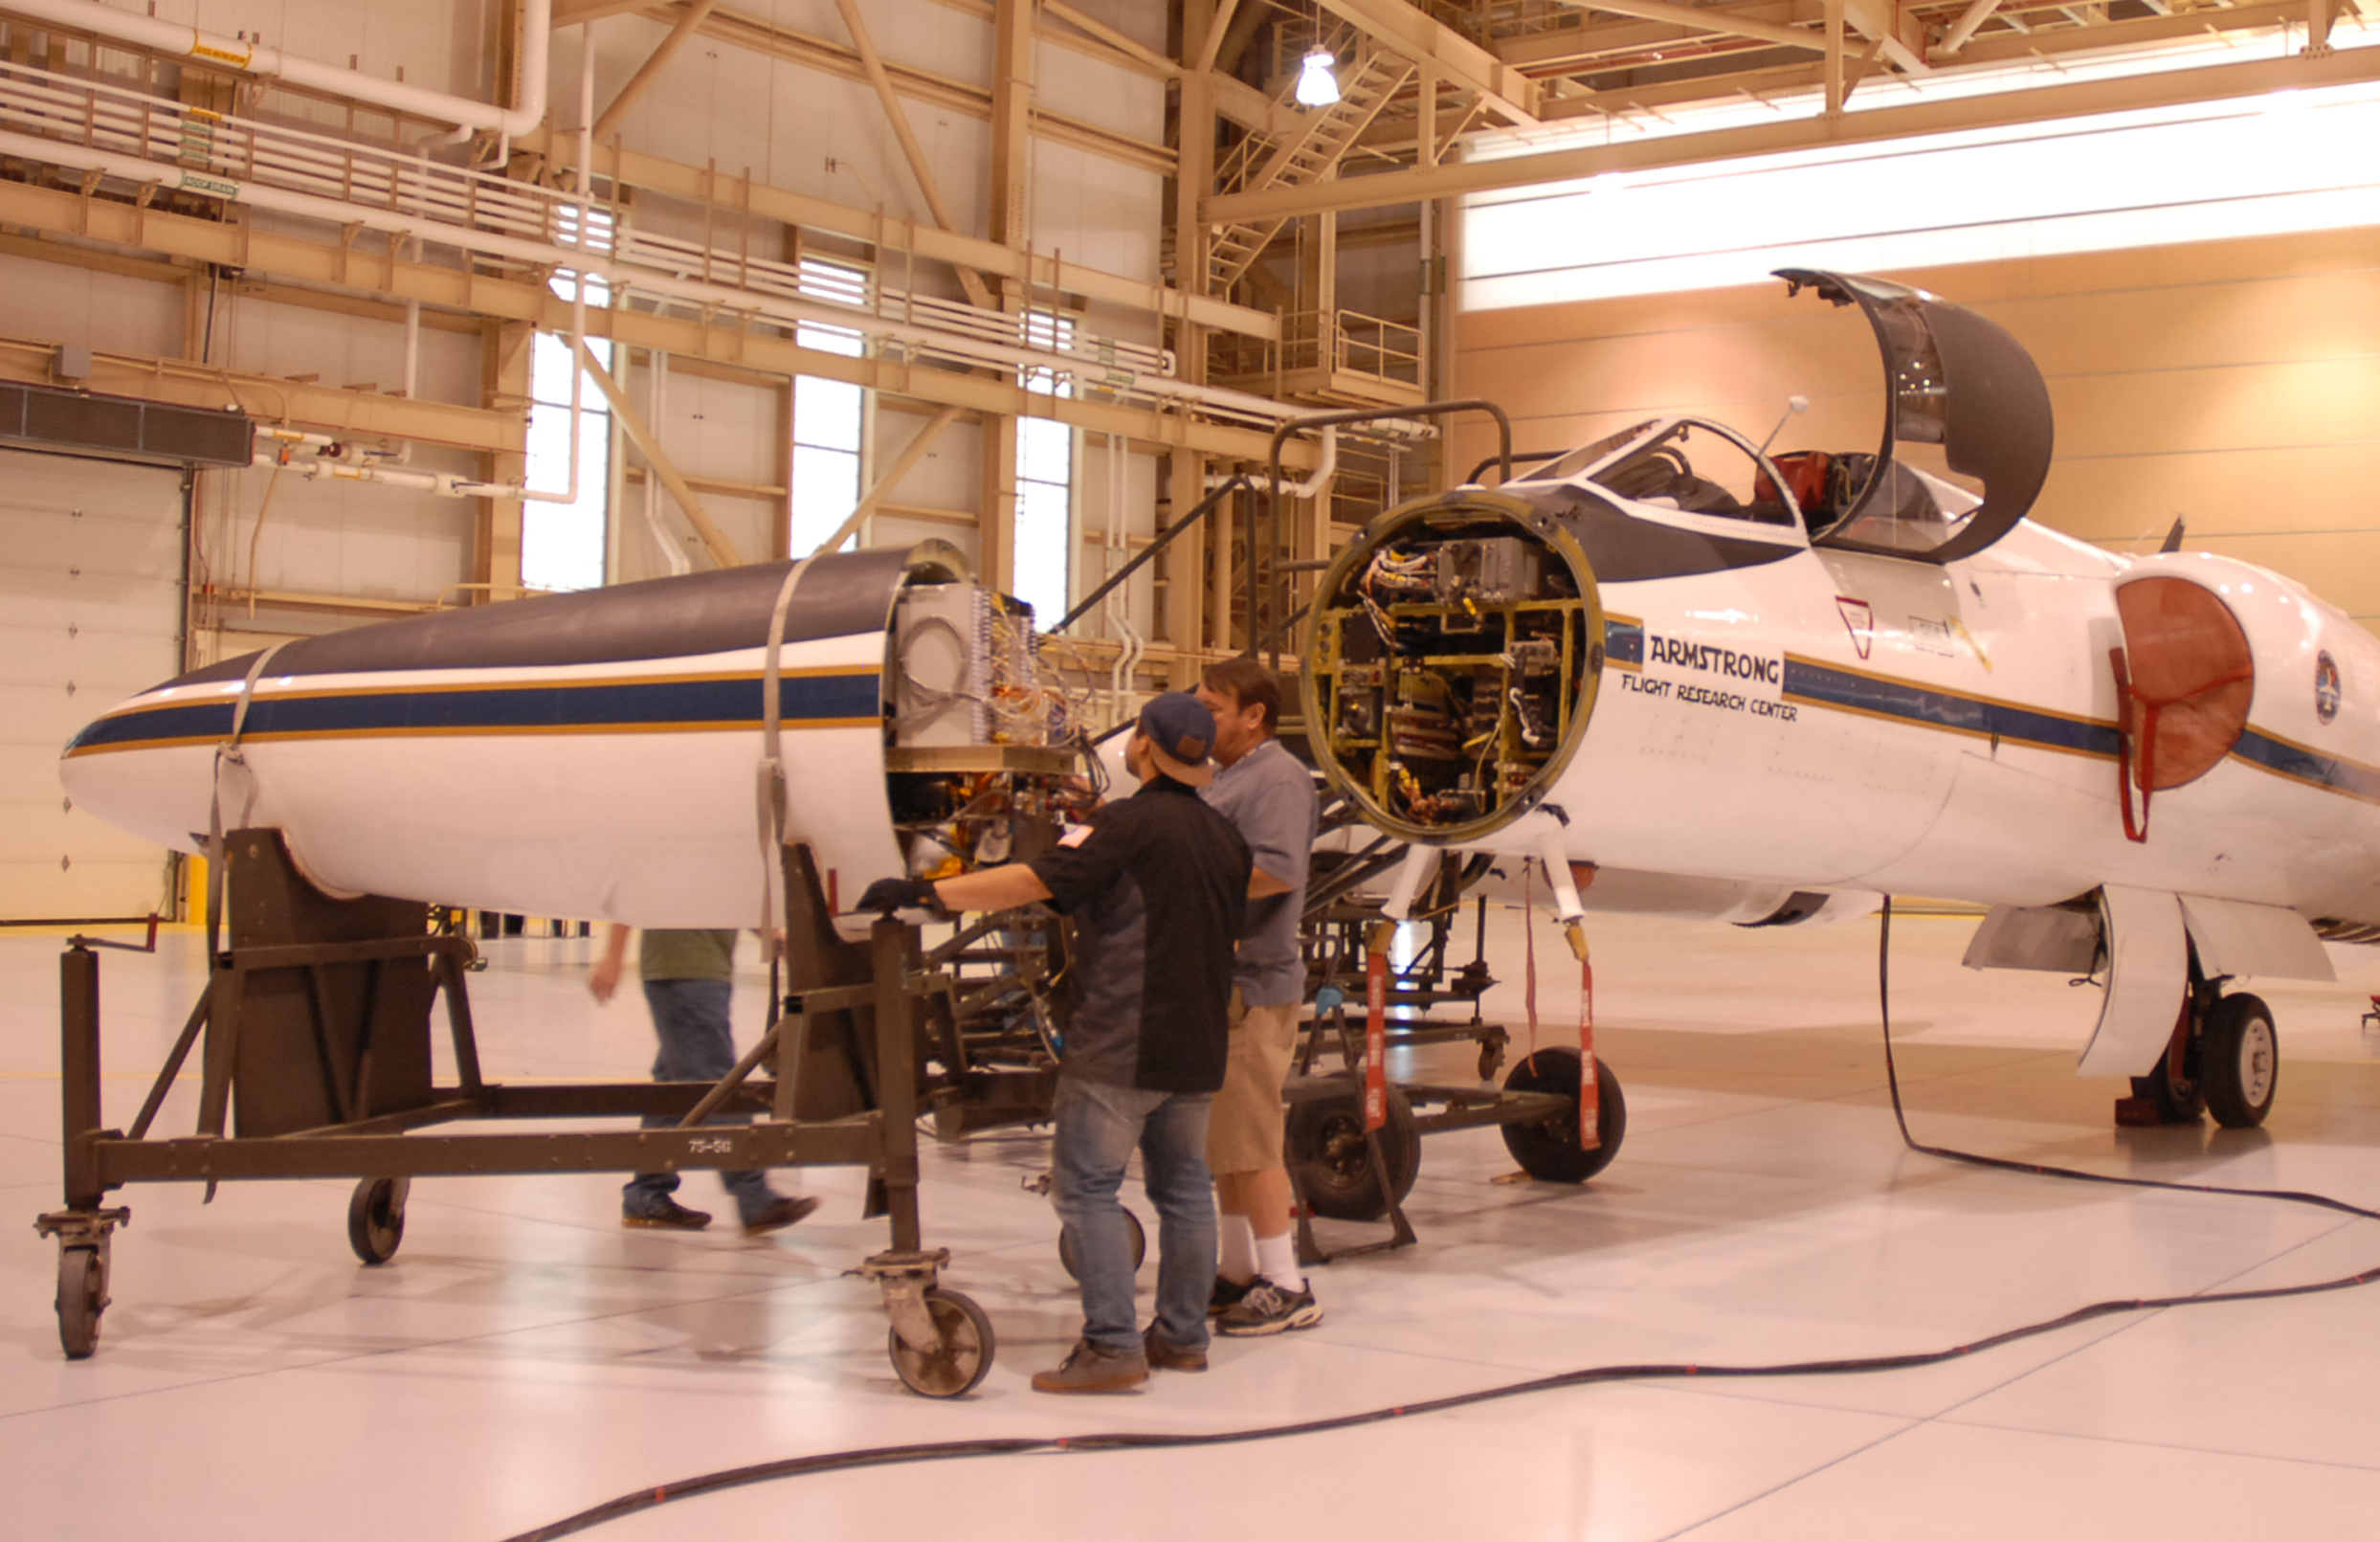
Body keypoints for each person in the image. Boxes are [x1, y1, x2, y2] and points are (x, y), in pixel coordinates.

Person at [859, 692, 1250, 1394]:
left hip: (1121, 1042)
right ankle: (1183, 1336)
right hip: (1197, 1044)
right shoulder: (1226, 837)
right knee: (1185, 1188)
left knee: (1085, 1189)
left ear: (1141, 746)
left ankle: (1111, 1345)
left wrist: (931, 894)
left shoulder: (1124, 824)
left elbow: (1037, 880)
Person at [1194, 658, 1323, 1336]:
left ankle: (1285, 1280)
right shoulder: (1228, 777)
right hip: (1223, 982)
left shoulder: (1275, 776)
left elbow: (1274, 869)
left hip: (1254, 981)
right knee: (1227, 1140)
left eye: (1213, 707)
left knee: (1254, 1139)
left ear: (1254, 716)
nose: (1202, 717)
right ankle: (1238, 1269)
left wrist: (1184, 883)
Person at [589, 927, 818, 1236]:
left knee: (674, 1089)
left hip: (702, 970)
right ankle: (754, 1198)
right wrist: (613, 956)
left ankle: (647, 1193)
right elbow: (633, 886)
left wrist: (771, 935)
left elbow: (723, 896)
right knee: (715, 1084)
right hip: (684, 970)